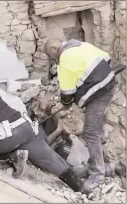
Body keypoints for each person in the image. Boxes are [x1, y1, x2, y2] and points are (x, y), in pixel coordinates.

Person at [43, 38, 124, 193]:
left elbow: (67, 92)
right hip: (109, 83)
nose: (52, 58)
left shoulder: (64, 60)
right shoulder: (79, 45)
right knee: (95, 127)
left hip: (99, 93)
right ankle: (103, 155)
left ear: (54, 48)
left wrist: (66, 103)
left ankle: (97, 176)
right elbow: (106, 58)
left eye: (50, 55)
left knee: (90, 133)